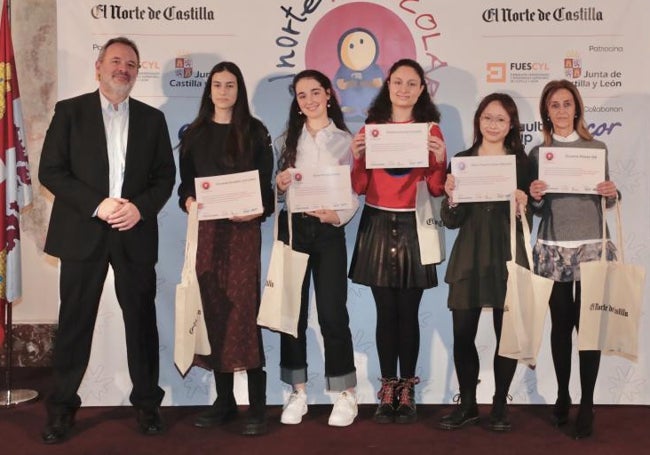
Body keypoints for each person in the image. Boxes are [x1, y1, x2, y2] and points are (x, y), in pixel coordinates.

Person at [38, 36, 175, 444]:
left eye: (131, 64)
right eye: (116, 61)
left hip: (133, 233)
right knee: (75, 325)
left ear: (137, 71)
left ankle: (148, 404)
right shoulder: (70, 112)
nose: (124, 69)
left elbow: (164, 178)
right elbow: (51, 171)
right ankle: (61, 409)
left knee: (142, 324)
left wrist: (139, 208)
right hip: (83, 232)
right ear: (98, 66)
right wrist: (98, 204)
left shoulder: (153, 120)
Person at [177, 61, 274, 436]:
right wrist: (188, 201)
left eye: (230, 85)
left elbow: (265, 189)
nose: (223, 91)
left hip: (243, 233)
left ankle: (257, 405)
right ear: (209, 90)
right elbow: (186, 185)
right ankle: (224, 401)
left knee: (244, 311)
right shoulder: (195, 133)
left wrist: (254, 210)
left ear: (239, 90)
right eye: (217, 84)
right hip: (207, 233)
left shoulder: (254, 131)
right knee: (213, 309)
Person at [348, 58, 446, 424]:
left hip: (414, 226)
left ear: (422, 90)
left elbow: (436, 189)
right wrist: (357, 160)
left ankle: (408, 389)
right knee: (385, 312)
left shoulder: (431, 130)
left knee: (408, 314)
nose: (404, 89)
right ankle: (387, 385)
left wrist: (439, 163)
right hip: (376, 220)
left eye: (412, 83)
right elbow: (359, 187)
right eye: (397, 82)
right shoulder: (373, 128)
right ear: (388, 85)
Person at [528, 80, 619, 440]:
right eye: (555, 105)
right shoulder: (539, 153)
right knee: (560, 328)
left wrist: (613, 192)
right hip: (553, 247)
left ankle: (588, 403)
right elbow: (536, 208)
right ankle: (563, 394)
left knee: (590, 332)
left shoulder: (597, 148)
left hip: (593, 246)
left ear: (577, 108)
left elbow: (607, 199)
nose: (562, 110)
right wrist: (535, 196)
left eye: (567, 104)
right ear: (546, 113)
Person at [437, 93, 531, 432]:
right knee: (462, 334)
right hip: (469, 255)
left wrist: (525, 204)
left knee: (505, 335)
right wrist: (451, 196)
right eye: (487, 117)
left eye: (501, 119)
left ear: (511, 125)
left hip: (507, 255)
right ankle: (467, 404)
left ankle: (500, 404)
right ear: (479, 121)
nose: (493, 124)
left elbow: (533, 215)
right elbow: (451, 220)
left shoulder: (521, 162)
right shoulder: (462, 160)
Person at [275, 69, 359, 427]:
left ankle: (345, 393)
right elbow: (278, 192)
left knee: (332, 312)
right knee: (290, 313)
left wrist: (337, 215)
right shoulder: (286, 141)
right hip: (293, 228)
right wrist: (279, 184)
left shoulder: (345, 140)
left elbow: (354, 192)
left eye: (314, 92)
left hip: (328, 230)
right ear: (296, 102)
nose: (308, 100)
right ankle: (298, 391)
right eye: (301, 95)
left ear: (328, 94)